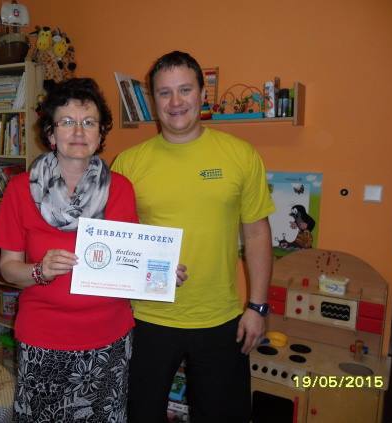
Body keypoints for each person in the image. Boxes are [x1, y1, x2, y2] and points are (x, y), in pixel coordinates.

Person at [112, 51, 275, 422]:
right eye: (164, 92)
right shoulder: (128, 164)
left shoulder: (240, 155)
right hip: (146, 318)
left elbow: (256, 233)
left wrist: (257, 308)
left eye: (185, 90)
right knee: (139, 415)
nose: (175, 101)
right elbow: (118, 241)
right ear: (153, 100)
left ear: (202, 94)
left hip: (220, 319)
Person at [0, 78, 139, 422]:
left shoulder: (121, 189)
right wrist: (39, 270)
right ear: (51, 133)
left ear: (100, 134)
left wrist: (159, 272)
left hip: (109, 339)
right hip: (43, 339)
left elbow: (129, 261)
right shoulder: (19, 190)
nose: (79, 131)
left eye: (89, 122)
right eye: (67, 121)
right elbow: (7, 268)